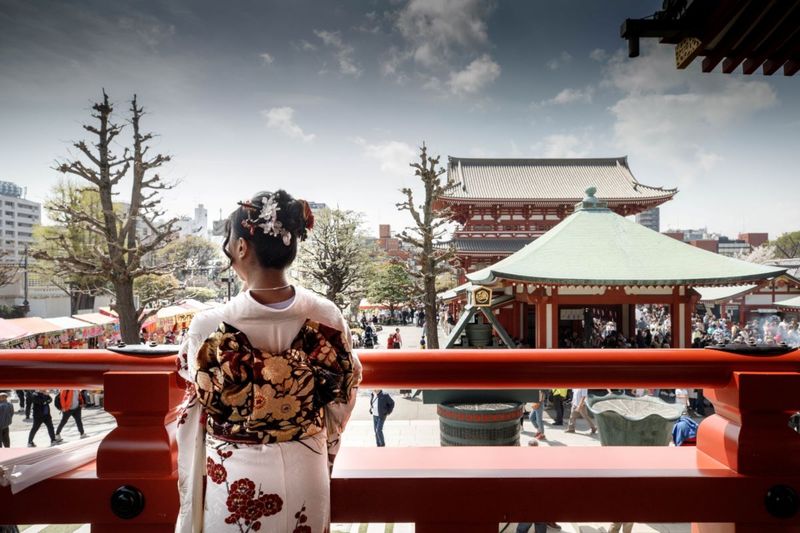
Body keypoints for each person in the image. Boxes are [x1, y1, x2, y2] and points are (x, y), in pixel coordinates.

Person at [174, 190, 362, 533]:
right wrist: (319, 440)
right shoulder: (327, 315)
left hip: (236, 474)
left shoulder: (209, 325)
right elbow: (342, 400)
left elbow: (195, 407)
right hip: (307, 461)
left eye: (229, 242)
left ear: (242, 247)